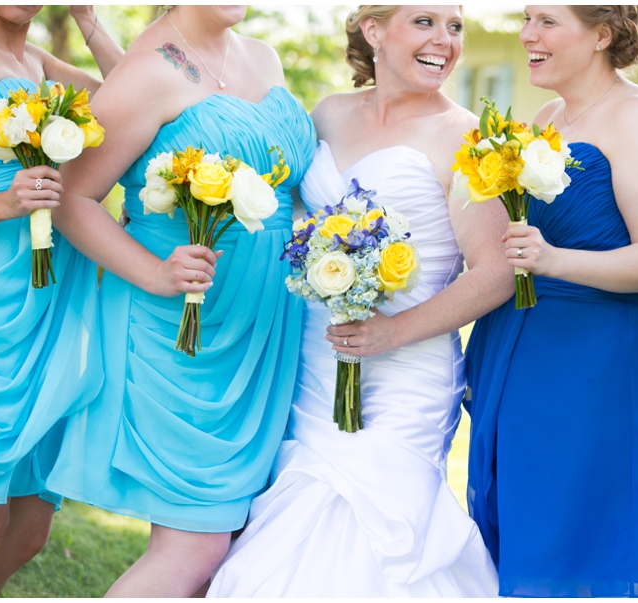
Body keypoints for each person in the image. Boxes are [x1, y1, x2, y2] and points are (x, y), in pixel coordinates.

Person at [206, 5, 511, 597]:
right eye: (424, 22)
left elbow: (495, 273)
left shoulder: (467, 137)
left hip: (408, 366)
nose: (443, 41)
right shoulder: (327, 114)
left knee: (372, 520)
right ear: (373, 30)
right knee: (298, 504)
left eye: (454, 28)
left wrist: (393, 333)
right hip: (314, 360)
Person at [41, 5, 315, 597]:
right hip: (181, 329)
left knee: (234, 542)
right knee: (194, 548)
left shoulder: (262, 57)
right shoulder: (146, 71)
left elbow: (286, 189)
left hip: (264, 330)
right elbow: (71, 199)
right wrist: (156, 273)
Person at [465, 5, 638, 598]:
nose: (527, 36)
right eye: (527, 19)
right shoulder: (547, 116)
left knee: (575, 538)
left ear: (601, 33)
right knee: (516, 527)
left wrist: (554, 261)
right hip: (516, 354)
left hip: (588, 368)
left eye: (547, 21)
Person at [0, 6, 122, 598]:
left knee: (30, 529)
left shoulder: (38, 62)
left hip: (57, 314)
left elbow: (141, 97)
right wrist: (3, 204)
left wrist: (89, 21)